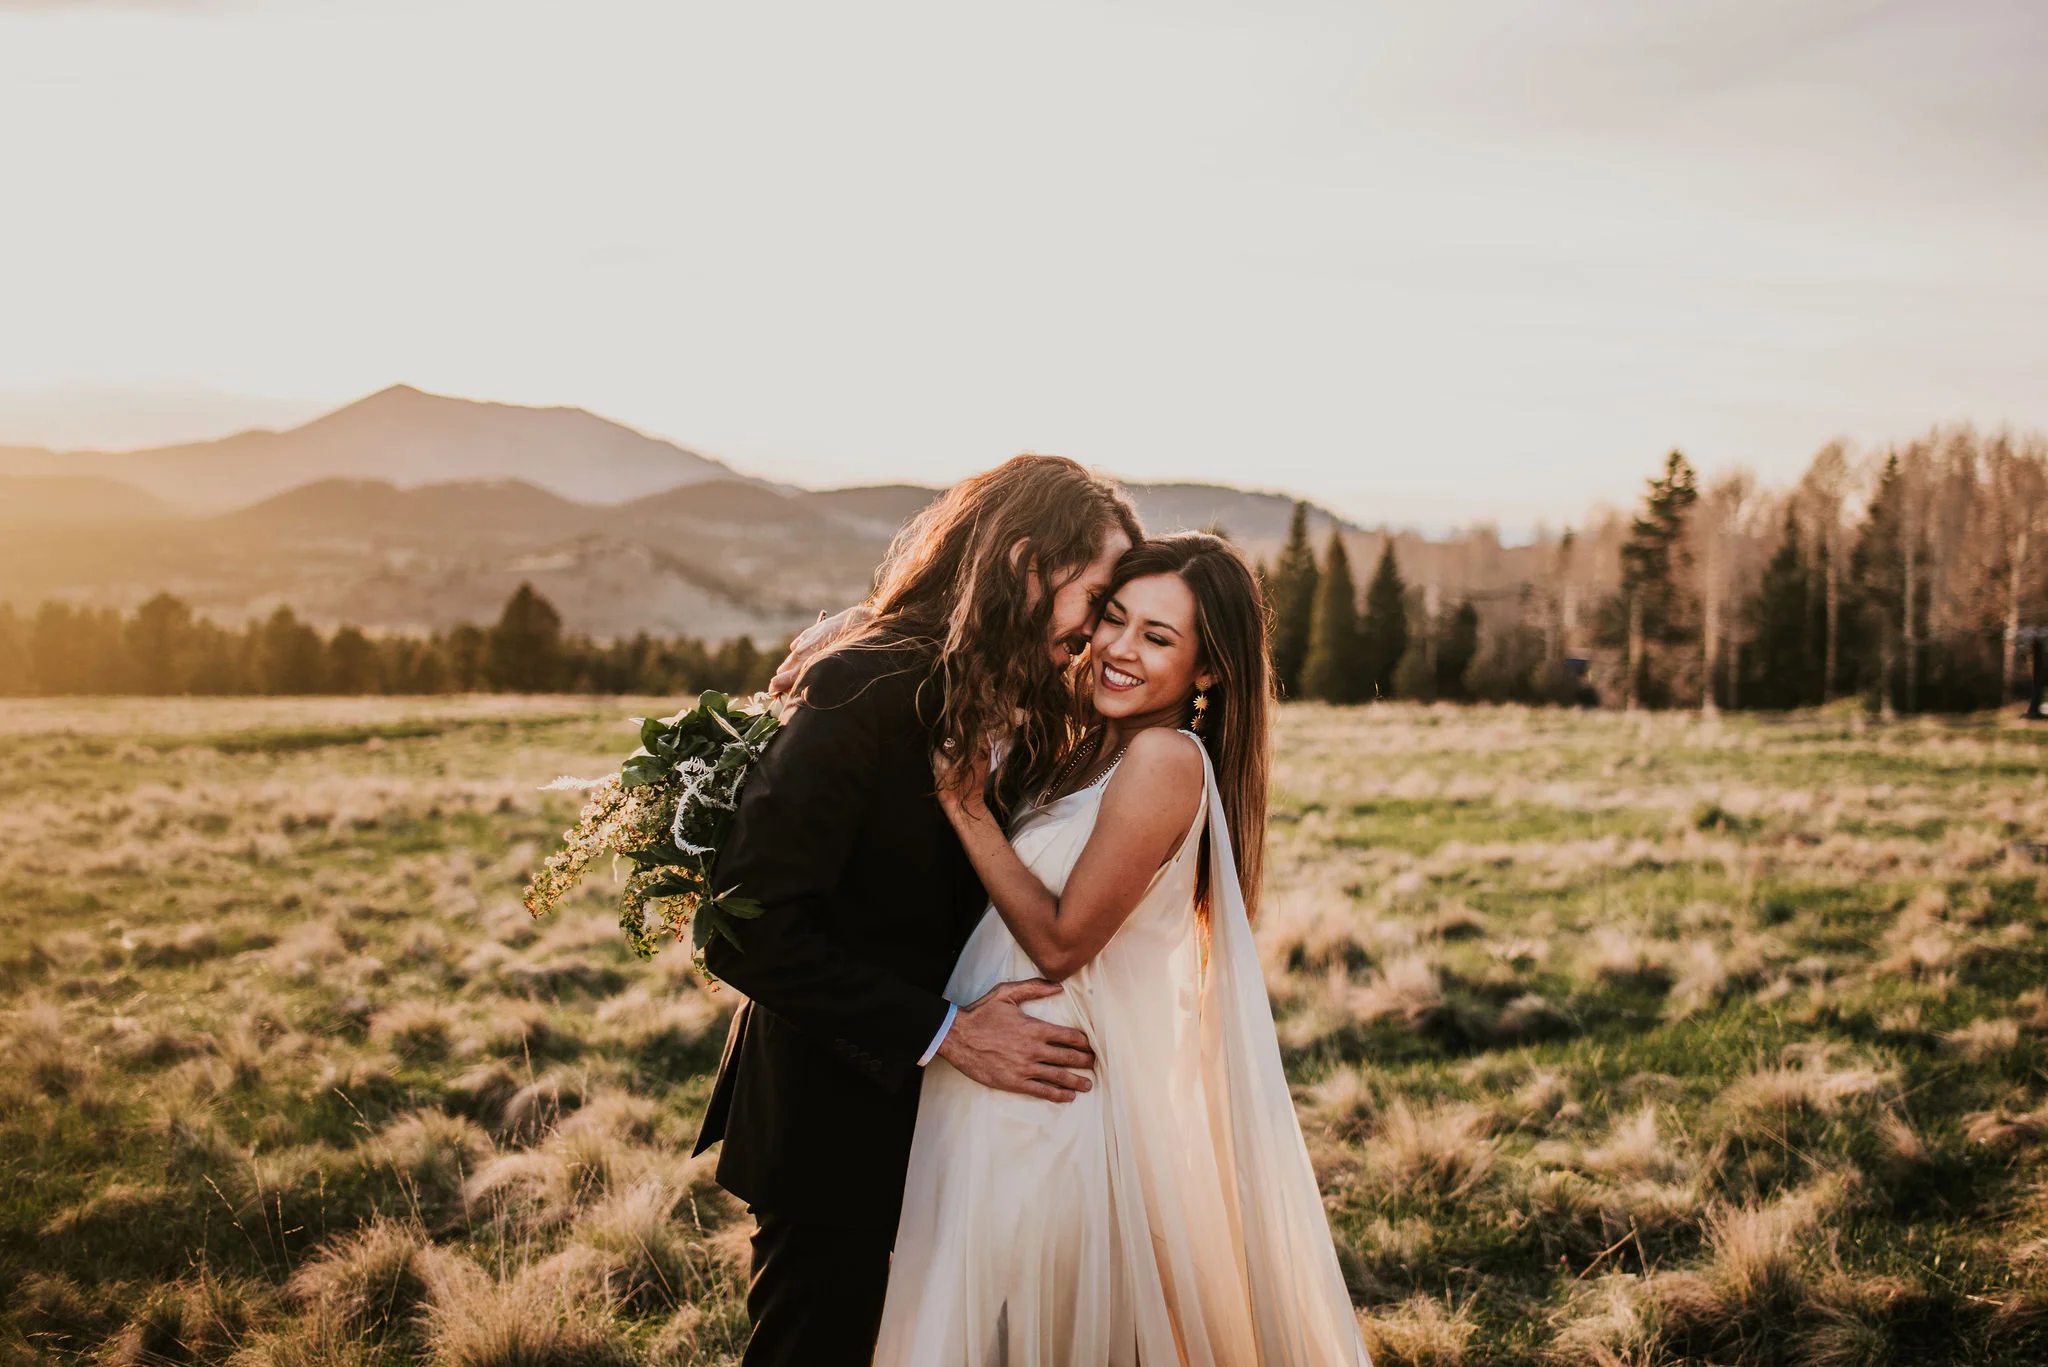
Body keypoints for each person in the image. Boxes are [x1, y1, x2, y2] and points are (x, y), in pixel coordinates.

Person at [875, 533, 1370, 1365]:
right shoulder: (1096, 743)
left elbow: (1063, 940)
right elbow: (977, 655)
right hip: (994, 1080)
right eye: (1114, 618)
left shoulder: (1165, 759)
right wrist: (856, 628)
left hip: (1045, 1106)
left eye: (1158, 637)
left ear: (1207, 671)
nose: (1120, 649)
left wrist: (966, 808)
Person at [692, 454, 1144, 1367]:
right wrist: (948, 1034)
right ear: (1024, 566)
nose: (1099, 633)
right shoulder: (861, 687)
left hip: (971, 1135)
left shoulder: (1029, 693)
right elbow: (748, 924)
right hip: (837, 1120)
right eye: (1095, 598)